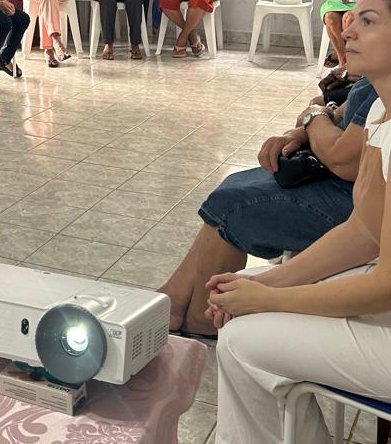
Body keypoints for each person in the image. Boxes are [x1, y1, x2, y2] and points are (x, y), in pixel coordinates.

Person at [208, 0, 391, 444]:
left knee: (244, 341)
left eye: (368, 21)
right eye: (352, 19)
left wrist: (269, 299)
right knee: (249, 301)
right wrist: (265, 283)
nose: (348, 29)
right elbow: (363, 231)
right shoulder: (385, 110)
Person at [159, 77, 378, 337]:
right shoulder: (380, 79)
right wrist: (304, 128)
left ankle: (202, 320)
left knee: (234, 208)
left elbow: (343, 160)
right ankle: (175, 296)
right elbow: (338, 112)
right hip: (344, 185)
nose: (346, 44)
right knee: (234, 187)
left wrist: (313, 115)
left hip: (353, 197)